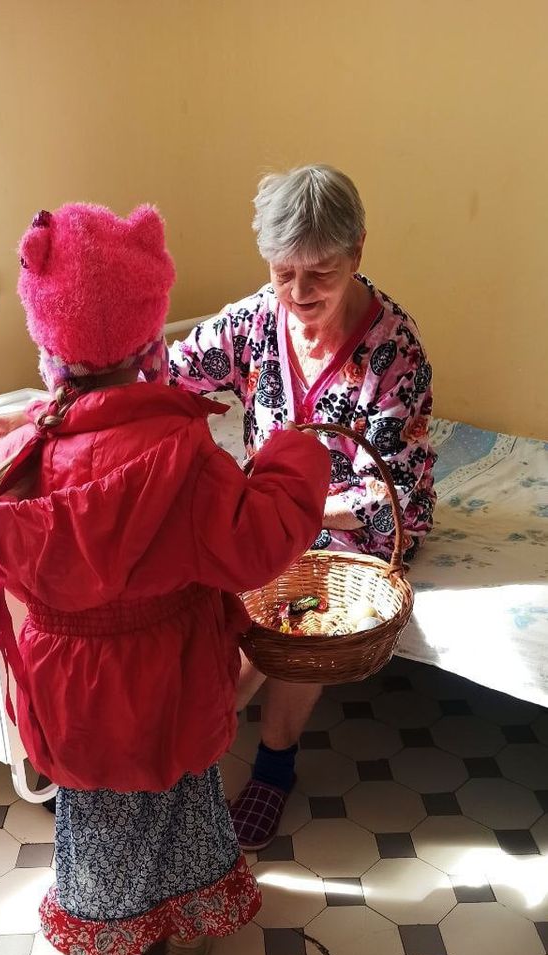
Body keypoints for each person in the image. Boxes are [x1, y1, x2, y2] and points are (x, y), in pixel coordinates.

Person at [0, 201, 330, 955]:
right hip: (167, 677)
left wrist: (23, 426)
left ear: (48, 340)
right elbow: (255, 546)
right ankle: (189, 928)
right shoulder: (181, 451)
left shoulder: (23, 456)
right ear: (149, 337)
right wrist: (292, 457)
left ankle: (110, 930)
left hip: (72, 685)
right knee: (180, 803)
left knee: (97, 810)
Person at [165, 164, 437, 851]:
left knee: (284, 601)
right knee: (200, 578)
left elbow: (390, 490)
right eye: (283, 272)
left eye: (320, 273)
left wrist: (287, 516)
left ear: (357, 251)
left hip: (359, 520)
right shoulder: (255, 319)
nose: (298, 292)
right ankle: (177, 748)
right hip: (272, 509)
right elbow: (168, 377)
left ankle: (266, 763)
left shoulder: (394, 351)